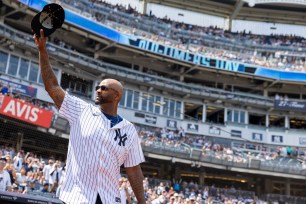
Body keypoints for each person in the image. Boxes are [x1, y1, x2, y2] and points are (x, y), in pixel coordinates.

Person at [33, 29, 146, 204]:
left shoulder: (129, 129)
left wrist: (142, 202)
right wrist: (42, 51)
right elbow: (53, 87)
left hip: (108, 199)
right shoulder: (81, 110)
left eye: (104, 88)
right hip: (77, 197)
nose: (98, 90)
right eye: (98, 87)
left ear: (117, 96)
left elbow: (133, 170)